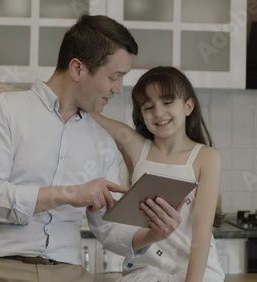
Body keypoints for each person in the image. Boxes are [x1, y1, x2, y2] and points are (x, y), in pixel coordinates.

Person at [0, 15, 183, 282]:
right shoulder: (5, 109)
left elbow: (109, 229)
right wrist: (68, 193)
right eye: (114, 76)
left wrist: (155, 233)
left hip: (68, 273)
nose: (119, 88)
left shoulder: (101, 141)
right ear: (78, 69)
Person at [90, 66, 225, 282]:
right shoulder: (136, 147)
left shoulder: (207, 157)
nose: (158, 113)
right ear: (141, 115)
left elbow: (202, 230)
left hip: (195, 274)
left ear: (188, 106)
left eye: (168, 102)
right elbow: (91, 117)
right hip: (144, 273)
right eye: (148, 107)